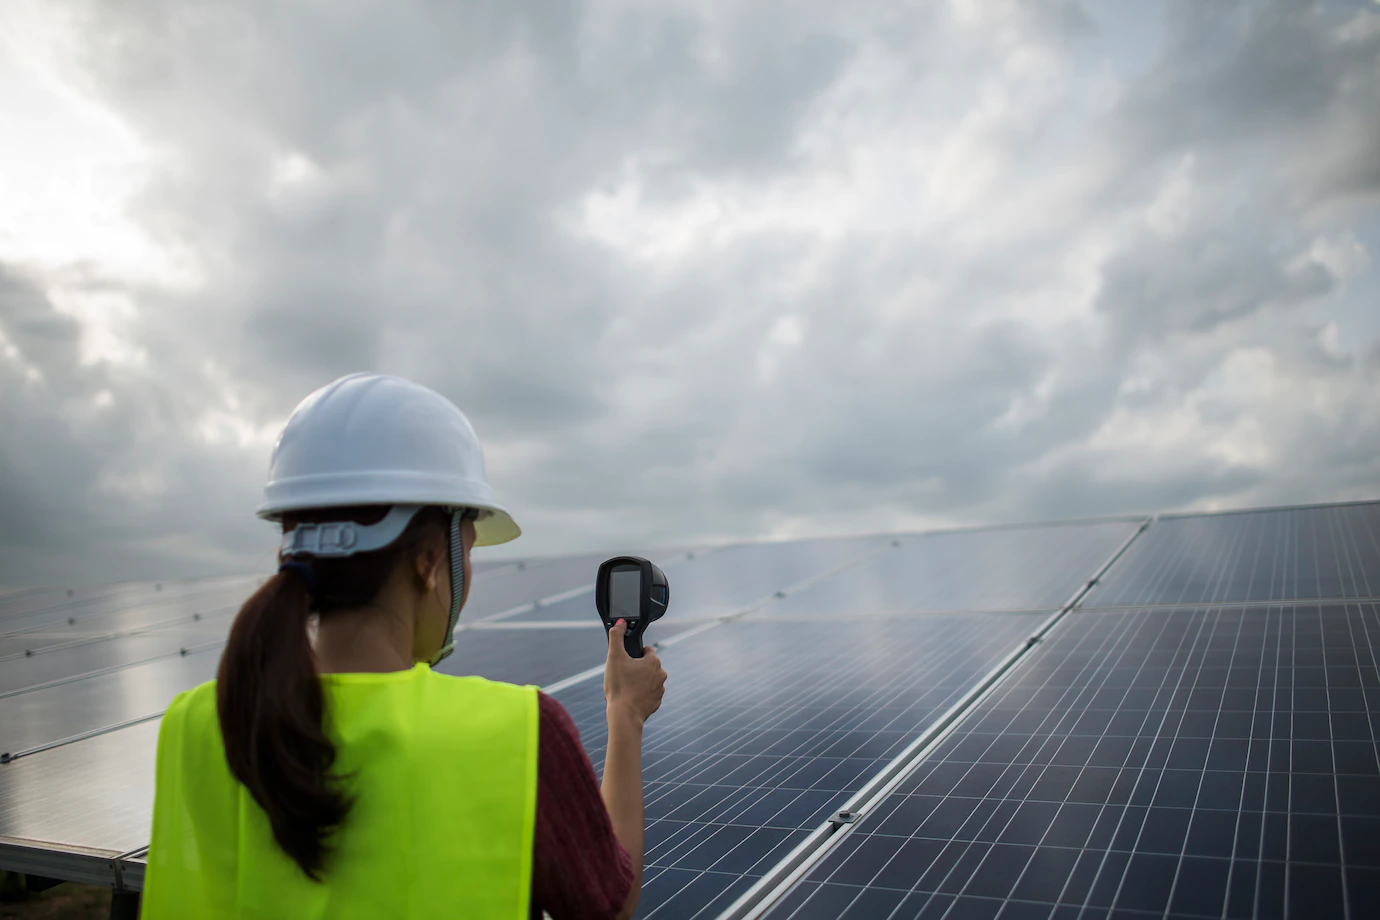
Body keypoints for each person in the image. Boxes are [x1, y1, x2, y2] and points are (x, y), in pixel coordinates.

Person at [142, 373, 668, 919]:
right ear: (429, 563)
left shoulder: (199, 722)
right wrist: (625, 716)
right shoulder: (519, 732)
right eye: (469, 548)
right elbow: (610, 908)